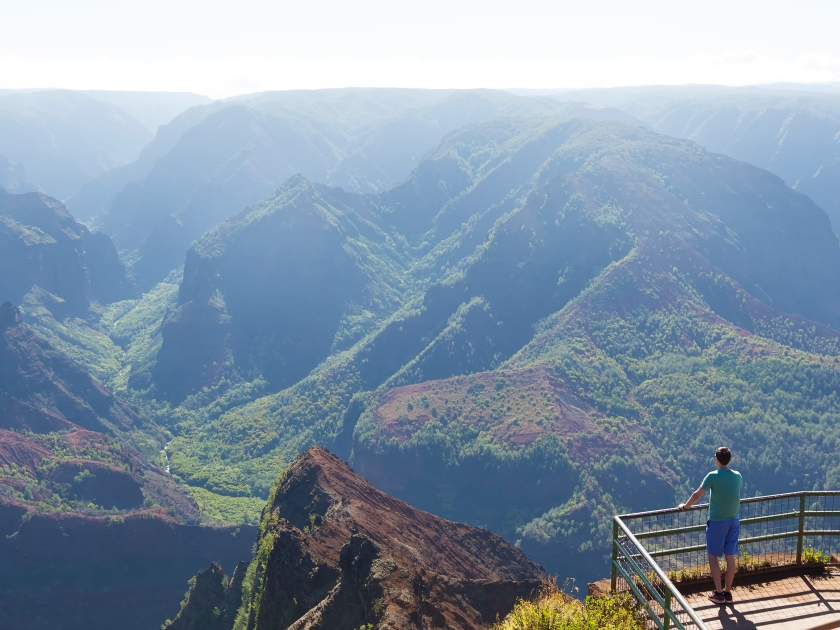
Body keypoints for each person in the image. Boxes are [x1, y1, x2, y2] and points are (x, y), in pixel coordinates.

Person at [678, 446, 742, 605]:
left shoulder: (713, 476)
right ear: (729, 459)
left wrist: (686, 506)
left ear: (717, 459)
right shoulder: (738, 476)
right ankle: (728, 593)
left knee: (713, 556)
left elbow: (697, 494)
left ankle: (719, 594)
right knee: (730, 557)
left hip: (718, 521)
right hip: (734, 521)